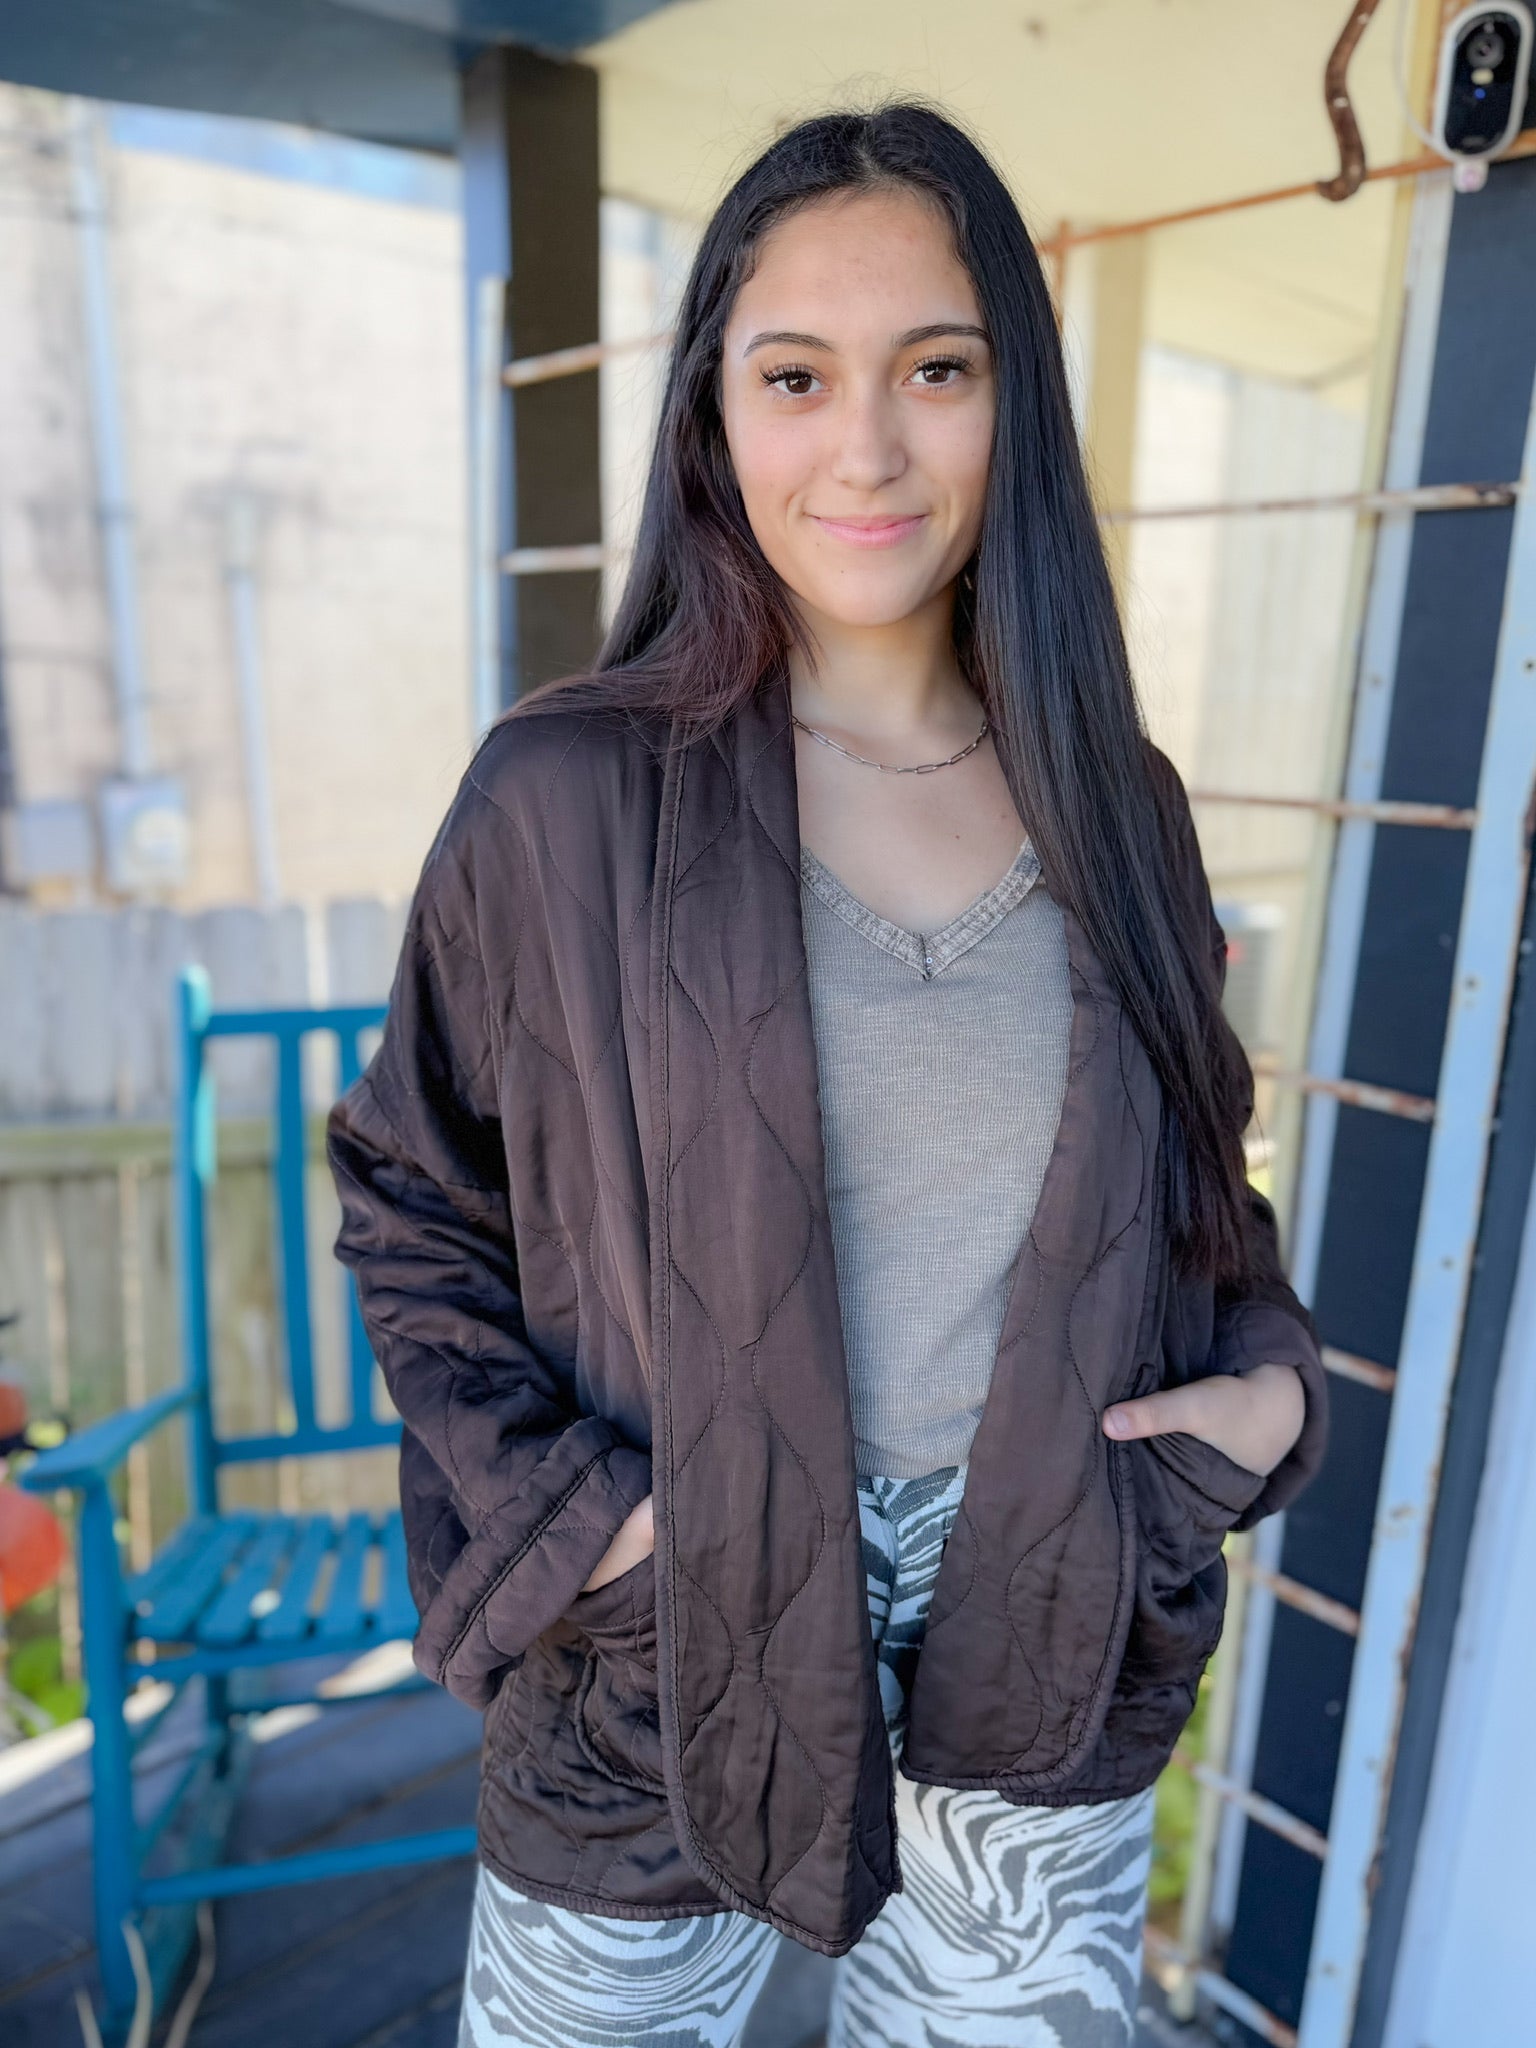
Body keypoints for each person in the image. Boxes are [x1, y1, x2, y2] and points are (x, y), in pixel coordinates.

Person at [326, 100, 1328, 2048]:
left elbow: (1202, 1176)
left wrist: (1268, 1394)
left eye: (934, 370)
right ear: (716, 410)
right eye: (797, 375)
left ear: (1007, 404)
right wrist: (608, 1531)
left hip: (1037, 1604)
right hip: (667, 1631)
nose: (865, 446)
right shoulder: (567, 799)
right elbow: (416, 1205)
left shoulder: (1122, 807)